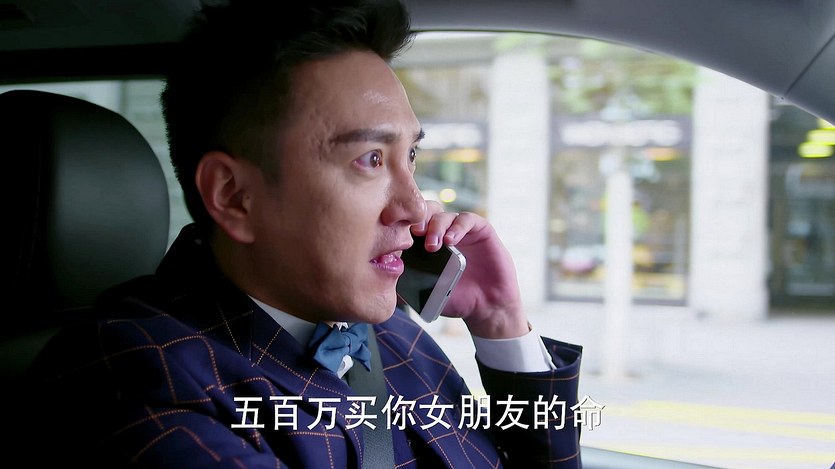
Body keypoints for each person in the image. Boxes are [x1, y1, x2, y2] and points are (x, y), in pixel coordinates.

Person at [26, 0, 582, 467]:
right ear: (234, 197)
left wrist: (501, 322)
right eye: (369, 159)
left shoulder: (389, 329)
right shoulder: (135, 378)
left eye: (409, 156)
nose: (416, 208)